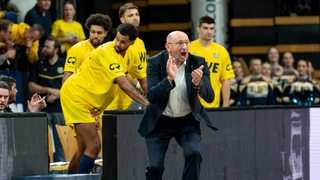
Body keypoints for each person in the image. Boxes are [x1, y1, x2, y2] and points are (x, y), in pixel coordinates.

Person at [60, 23, 149, 174]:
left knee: (82, 149)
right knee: (94, 146)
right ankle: (84, 179)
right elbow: (123, 84)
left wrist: (151, 96)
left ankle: (72, 178)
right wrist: (148, 104)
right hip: (76, 98)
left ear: (132, 42)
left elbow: (142, 80)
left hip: (90, 104)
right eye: (117, 39)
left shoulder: (133, 53)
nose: (118, 44)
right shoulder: (106, 51)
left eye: (123, 42)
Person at [138, 31, 216, 180]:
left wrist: (199, 83)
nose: (185, 46)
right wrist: (169, 79)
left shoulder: (198, 62)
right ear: (168, 47)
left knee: (194, 154)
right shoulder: (156, 62)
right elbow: (152, 97)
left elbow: (210, 97)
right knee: (155, 167)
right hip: (159, 122)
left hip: (187, 121)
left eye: (187, 43)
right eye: (180, 43)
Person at [28, 36, 65, 162]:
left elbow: (71, 85)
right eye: (44, 46)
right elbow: (31, 86)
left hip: (60, 109)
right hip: (44, 108)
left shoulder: (64, 63)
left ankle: (62, 168)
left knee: (62, 141)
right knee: (44, 141)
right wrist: (49, 90)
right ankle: (44, 166)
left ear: (56, 49)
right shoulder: (39, 64)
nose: (44, 49)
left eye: (48, 47)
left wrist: (58, 94)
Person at [107, 2, 147, 110]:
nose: (135, 18)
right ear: (122, 20)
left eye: (136, 14)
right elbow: (118, 74)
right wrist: (137, 84)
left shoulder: (140, 42)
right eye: (130, 15)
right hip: (121, 95)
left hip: (138, 93)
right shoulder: (119, 45)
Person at [190, 16, 235, 108]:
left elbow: (226, 79)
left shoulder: (222, 51)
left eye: (212, 28)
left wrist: (226, 105)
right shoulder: (189, 48)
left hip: (213, 104)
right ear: (198, 29)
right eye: (205, 28)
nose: (209, 31)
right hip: (190, 105)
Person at [62, 13, 111, 83]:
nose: (95, 36)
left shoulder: (108, 51)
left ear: (105, 33)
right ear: (89, 32)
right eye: (93, 32)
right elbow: (67, 76)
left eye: (99, 33)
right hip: (80, 91)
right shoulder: (76, 49)